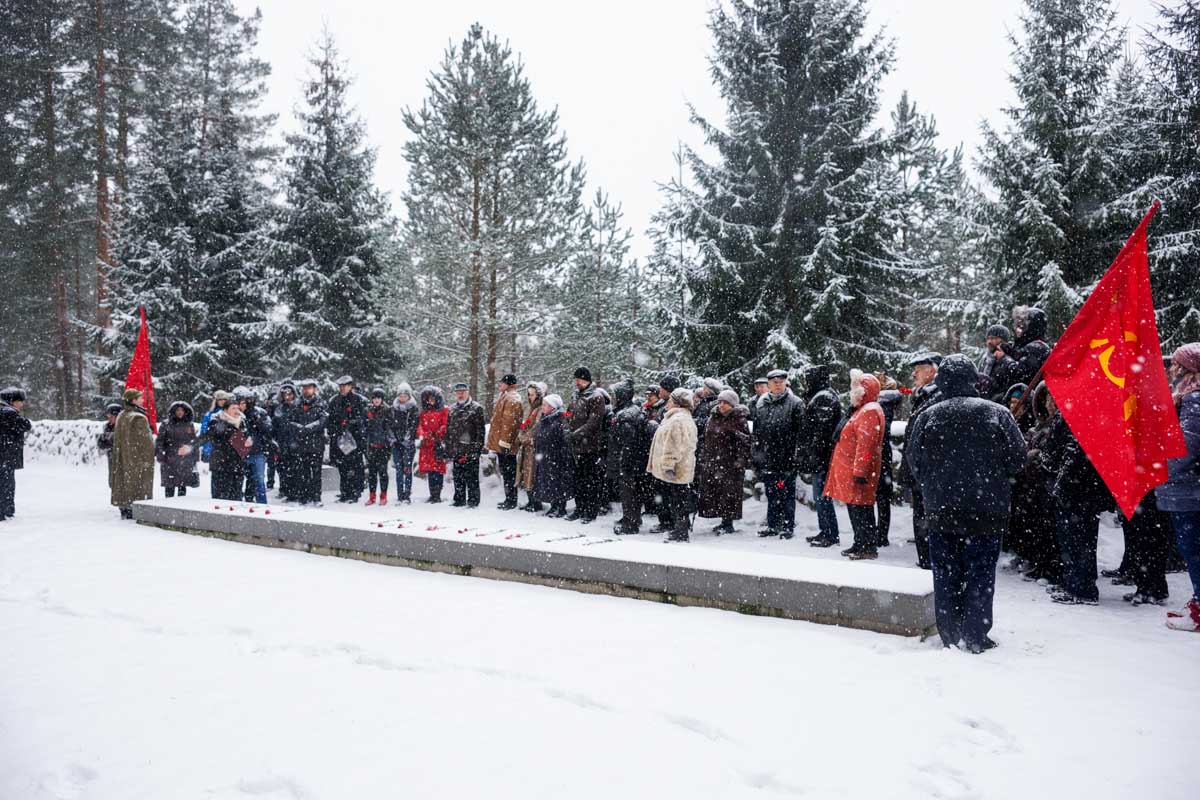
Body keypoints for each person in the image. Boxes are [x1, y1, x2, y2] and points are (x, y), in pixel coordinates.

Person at [905, 354, 1026, 653]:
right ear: (974, 379)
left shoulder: (928, 415)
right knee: (981, 573)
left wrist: (934, 485)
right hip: (987, 510)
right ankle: (975, 633)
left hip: (941, 509)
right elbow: (1018, 459)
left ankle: (950, 631)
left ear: (942, 380)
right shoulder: (997, 414)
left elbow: (913, 461)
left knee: (945, 572)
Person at [1045, 414, 1112, 605]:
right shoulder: (1087, 416)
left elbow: (1073, 455)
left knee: (1076, 540)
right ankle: (1079, 583)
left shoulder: (1080, 417)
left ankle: (1080, 587)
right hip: (1083, 491)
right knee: (1081, 540)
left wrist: (1060, 486)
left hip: (1077, 492)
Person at [1159, 343, 1200, 632]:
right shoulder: (1187, 397)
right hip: (1187, 489)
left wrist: (1159, 468)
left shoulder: (1194, 400)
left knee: (1193, 549)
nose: (1171, 369)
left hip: (1190, 491)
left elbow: (1186, 447)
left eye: (1176, 364)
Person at [824, 371, 886, 560]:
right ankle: (860, 543)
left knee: (861, 510)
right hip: (852, 470)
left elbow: (866, 445)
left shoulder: (869, 411)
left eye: (854, 388)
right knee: (857, 509)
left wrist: (860, 471)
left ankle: (867, 547)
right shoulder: (862, 409)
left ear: (864, 390)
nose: (851, 392)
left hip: (858, 473)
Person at [897, 351, 943, 569]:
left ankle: (930, 561)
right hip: (920, 474)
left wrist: (922, 468)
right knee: (921, 516)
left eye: (919, 368)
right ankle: (926, 559)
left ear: (932, 371)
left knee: (927, 517)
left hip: (929, 474)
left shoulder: (938, 397)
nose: (914, 372)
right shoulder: (922, 395)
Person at [751, 369, 804, 538]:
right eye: (774, 381)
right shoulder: (761, 403)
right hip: (768, 457)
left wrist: (796, 456)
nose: (778, 384)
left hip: (787, 457)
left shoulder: (796, 403)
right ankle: (773, 526)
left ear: (785, 383)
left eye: (781, 381)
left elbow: (801, 433)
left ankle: (788, 527)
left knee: (787, 494)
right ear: (769, 384)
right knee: (771, 494)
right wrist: (758, 455)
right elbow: (757, 432)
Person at [796, 366, 843, 548]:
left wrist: (813, 455)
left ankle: (830, 534)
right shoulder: (822, 395)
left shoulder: (824, 397)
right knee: (820, 497)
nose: (806, 382)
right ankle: (826, 531)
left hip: (822, 458)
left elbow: (821, 432)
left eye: (809, 379)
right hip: (821, 457)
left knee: (822, 497)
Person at [648, 387, 699, 542]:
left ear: (677, 404)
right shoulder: (677, 418)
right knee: (678, 500)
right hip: (680, 468)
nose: (667, 403)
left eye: (670, 400)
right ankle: (679, 529)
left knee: (678, 502)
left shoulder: (678, 420)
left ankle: (681, 533)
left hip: (676, 470)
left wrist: (668, 466)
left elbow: (674, 446)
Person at [699, 389, 751, 534]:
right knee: (716, 492)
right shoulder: (713, 417)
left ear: (733, 404)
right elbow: (705, 439)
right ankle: (722, 521)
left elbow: (745, 443)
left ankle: (728, 523)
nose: (721, 405)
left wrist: (740, 461)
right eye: (720, 401)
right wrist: (704, 457)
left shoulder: (739, 419)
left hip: (730, 463)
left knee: (729, 493)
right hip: (713, 461)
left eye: (725, 402)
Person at [608, 379, 654, 535]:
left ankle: (630, 523)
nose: (612, 398)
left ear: (621, 396)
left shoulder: (625, 415)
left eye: (614, 395)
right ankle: (631, 518)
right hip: (635, 461)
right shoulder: (632, 410)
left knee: (629, 493)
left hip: (629, 462)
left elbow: (628, 443)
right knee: (632, 492)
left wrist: (624, 462)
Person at [566, 367, 607, 523]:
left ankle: (590, 511)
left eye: (580, 380)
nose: (577, 382)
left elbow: (594, 422)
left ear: (587, 381)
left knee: (591, 481)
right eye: (576, 379)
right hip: (576, 446)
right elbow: (568, 414)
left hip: (590, 446)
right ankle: (579, 508)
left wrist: (576, 434)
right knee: (578, 480)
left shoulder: (596, 398)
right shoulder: (575, 396)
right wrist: (566, 426)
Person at [111, 388, 155, 519]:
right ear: (134, 400)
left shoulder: (121, 416)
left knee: (124, 482)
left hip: (123, 457)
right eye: (140, 398)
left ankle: (125, 506)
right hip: (137, 460)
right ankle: (136, 507)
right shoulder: (138, 417)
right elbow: (146, 443)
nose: (142, 400)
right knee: (138, 485)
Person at [287, 379, 328, 506]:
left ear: (314, 389)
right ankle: (304, 496)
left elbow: (323, 421)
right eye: (304, 388)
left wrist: (309, 428)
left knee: (316, 473)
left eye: (309, 388)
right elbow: (290, 421)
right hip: (301, 444)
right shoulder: (296, 404)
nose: (306, 390)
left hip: (316, 444)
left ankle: (316, 497)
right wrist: (300, 428)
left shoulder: (321, 403)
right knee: (302, 472)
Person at [533, 394, 574, 517]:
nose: (543, 407)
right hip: (546, 457)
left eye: (546, 405)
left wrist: (559, 455)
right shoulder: (545, 418)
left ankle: (561, 508)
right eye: (543, 404)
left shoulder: (560, 420)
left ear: (553, 407)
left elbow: (564, 441)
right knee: (549, 483)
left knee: (558, 483)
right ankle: (554, 506)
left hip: (557, 457)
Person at [327, 376, 367, 503]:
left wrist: (350, 424)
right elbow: (330, 420)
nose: (343, 388)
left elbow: (363, 420)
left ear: (350, 386)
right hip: (340, 439)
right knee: (342, 467)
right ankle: (344, 492)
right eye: (341, 386)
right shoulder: (334, 401)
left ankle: (354, 493)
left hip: (354, 440)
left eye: (345, 386)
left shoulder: (358, 400)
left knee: (354, 467)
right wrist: (337, 429)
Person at [488, 374, 525, 510]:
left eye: (502, 383)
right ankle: (509, 498)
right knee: (506, 472)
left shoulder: (512, 398)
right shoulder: (506, 396)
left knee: (509, 473)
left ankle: (511, 500)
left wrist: (505, 443)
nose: (499, 385)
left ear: (508, 384)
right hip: (503, 443)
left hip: (506, 444)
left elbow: (509, 424)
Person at [445, 382, 485, 508]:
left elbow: (480, 432)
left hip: (471, 448)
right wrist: (449, 447)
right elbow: (448, 429)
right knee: (458, 476)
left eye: (463, 392)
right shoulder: (452, 409)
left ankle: (473, 500)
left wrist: (477, 450)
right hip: (457, 448)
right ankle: (459, 499)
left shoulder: (476, 408)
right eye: (458, 392)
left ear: (468, 392)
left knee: (472, 477)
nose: (460, 394)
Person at [875, 375, 902, 547]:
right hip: (882, 454)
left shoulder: (883, 403)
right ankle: (881, 533)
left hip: (879, 454)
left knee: (881, 497)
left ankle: (881, 534)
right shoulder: (886, 404)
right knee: (883, 498)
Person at [234, 387, 272, 505]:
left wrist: (257, 421)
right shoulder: (234, 414)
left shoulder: (259, 413)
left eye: (247, 401)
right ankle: (242, 502)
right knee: (240, 480)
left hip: (257, 452)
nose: (244, 405)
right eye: (241, 402)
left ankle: (261, 503)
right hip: (241, 452)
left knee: (259, 480)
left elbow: (268, 429)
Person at [0, 387, 32, 521]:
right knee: (6, 483)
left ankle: (6, 509)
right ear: (12, 401)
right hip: (6, 455)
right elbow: (26, 425)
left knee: (6, 482)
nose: (22, 404)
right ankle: (5, 509)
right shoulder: (8, 413)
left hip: (4, 455)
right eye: (20, 401)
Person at [155, 401, 197, 498]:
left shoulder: (189, 424)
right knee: (169, 487)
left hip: (184, 459)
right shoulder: (165, 424)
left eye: (182, 410)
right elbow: (160, 441)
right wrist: (161, 455)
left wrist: (191, 452)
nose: (180, 412)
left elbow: (194, 441)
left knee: (182, 487)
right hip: (169, 459)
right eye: (178, 410)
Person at [516, 382, 546, 512]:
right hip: (527, 447)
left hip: (533, 447)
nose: (530, 397)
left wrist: (523, 438)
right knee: (526, 473)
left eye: (532, 394)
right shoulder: (531, 408)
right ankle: (531, 501)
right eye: (528, 394)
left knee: (532, 475)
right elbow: (525, 425)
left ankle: (536, 503)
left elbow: (535, 428)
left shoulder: (540, 409)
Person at [417, 385, 449, 503]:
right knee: (430, 471)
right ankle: (432, 494)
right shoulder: (424, 412)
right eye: (428, 399)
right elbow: (419, 426)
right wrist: (424, 434)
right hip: (427, 445)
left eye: (432, 398)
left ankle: (437, 495)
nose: (430, 401)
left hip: (437, 445)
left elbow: (445, 425)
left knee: (438, 470)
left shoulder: (444, 410)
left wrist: (437, 434)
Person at [389, 383, 420, 504]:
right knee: (398, 469)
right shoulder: (393, 409)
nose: (402, 397)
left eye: (405, 395)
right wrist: (394, 439)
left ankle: (407, 494)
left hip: (408, 444)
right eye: (400, 395)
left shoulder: (413, 409)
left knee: (407, 469)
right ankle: (399, 494)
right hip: (396, 443)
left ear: (409, 396)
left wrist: (407, 438)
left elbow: (414, 426)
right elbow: (389, 425)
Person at [364, 388, 395, 505]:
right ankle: (372, 496)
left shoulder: (387, 410)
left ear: (382, 399)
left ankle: (383, 495)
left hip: (383, 446)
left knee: (382, 472)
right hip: (371, 445)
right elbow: (365, 427)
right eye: (375, 398)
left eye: (379, 398)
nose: (376, 400)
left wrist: (387, 442)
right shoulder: (368, 410)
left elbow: (390, 428)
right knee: (372, 473)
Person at [1007, 306, 1052, 386]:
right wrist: (1010, 352)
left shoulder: (1037, 347)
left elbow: (1022, 375)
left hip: (1026, 395)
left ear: (1031, 327)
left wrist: (1005, 359)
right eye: (1017, 325)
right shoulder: (1026, 344)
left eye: (1021, 325)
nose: (1017, 329)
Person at [272, 384, 298, 501]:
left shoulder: (298, 407)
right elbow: (275, 425)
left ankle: (294, 492)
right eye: (285, 395)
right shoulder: (279, 408)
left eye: (289, 394)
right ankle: (284, 489)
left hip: (295, 443)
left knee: (294, 469)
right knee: (282, 468)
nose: (287, 397)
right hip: (281, 443)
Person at [199, 391, 230, 463]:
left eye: (225, 399)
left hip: (227, 450)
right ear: (216, 401)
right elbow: (204, 431)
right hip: (211, 450)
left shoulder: (231, 413)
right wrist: (206, 448)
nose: (223, 401)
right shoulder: (209, 414)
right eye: (220, 399)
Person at [97, 402, 122, 489]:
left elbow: (120, 443)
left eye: (111, 416)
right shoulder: (107, 427)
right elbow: (101, 443)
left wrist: (110, 443)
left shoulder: (122, 427)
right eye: (108, 416)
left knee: (120, 481)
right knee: (113, 481)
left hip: (121, 458)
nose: (109, 419)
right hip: (112, 457)